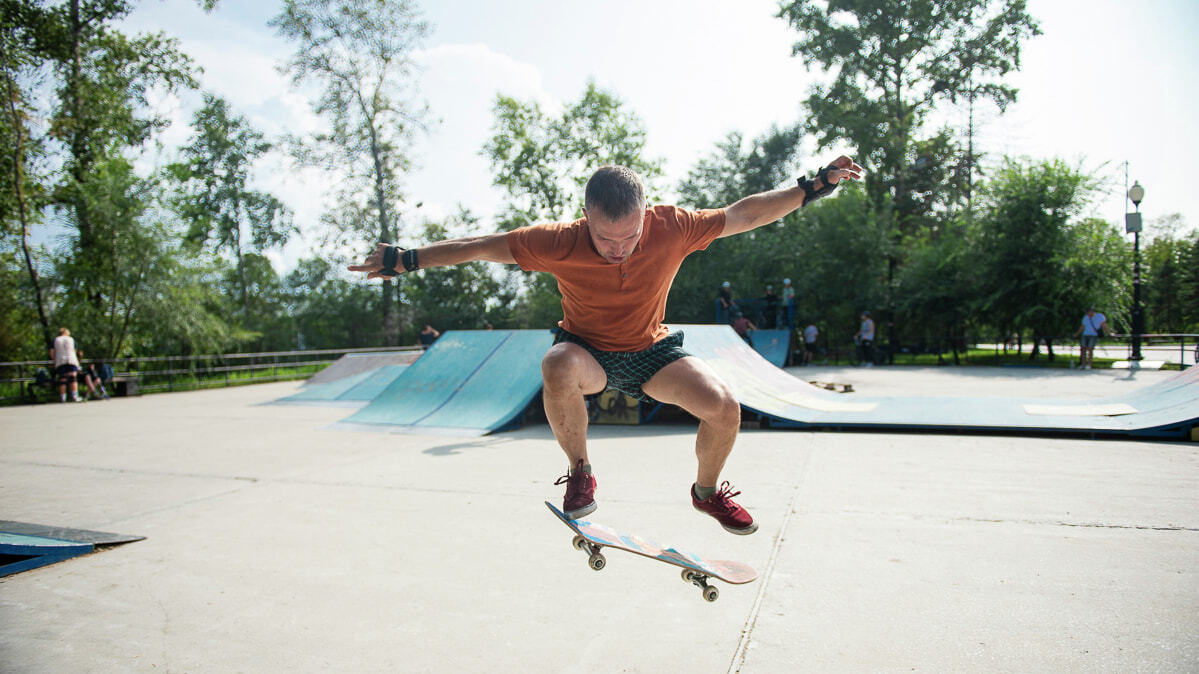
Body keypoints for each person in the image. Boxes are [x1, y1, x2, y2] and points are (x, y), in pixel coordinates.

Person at [349, 157, 863, 534]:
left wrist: (813, 186)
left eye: (629, 238)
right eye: (604, 239)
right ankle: (581, 471)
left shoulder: (673, 226)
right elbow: (482, 247)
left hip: (652, 353)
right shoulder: (556, 241)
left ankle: (706, 493)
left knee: (725, 407)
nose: (618, 251)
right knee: (556, 363)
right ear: (584, 217)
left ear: (646, 214)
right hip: (587, 353)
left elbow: (745, 214)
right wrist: (408, 259)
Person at [50, 327, 83, 402]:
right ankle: (75, 396)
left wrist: (54, 360)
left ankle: (62, 397)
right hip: (71, 360)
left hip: (60, 360)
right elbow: (74, 350)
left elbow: (52, 351)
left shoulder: (56, 340)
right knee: (73, 378)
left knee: (62, 379)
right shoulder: (71, 339)